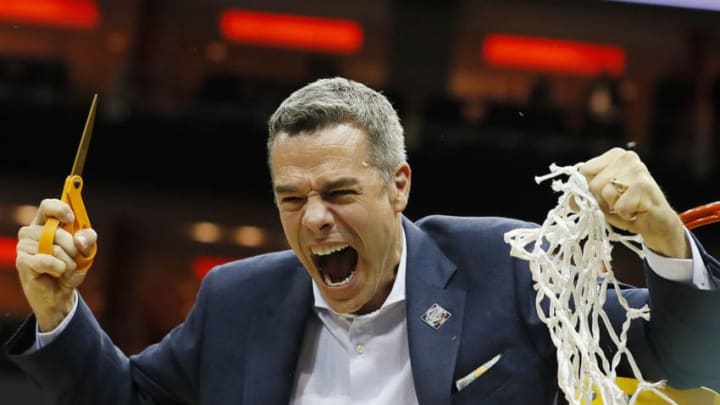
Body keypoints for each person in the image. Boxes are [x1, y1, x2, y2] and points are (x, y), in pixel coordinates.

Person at [6, 77, 720, 404]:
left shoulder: (508, 266)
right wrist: (56, 310)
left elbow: (690, 356)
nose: (314, 219)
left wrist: (663, 237)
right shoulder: (236, 298)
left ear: (398, 185)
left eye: (339, 193)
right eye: (293, 198)